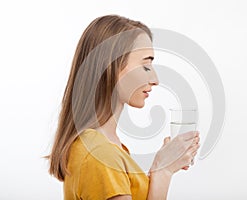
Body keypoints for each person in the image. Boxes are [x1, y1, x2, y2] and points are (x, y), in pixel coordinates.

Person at [48, 14, 200, 200]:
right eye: (145, 66)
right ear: (111, 66)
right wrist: (163, 171)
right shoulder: (99, 154)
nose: (155, 80)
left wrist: (163, 168)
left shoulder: (106, 146)